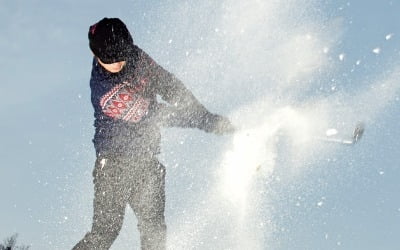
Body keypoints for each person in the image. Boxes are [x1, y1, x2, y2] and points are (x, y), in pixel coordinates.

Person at [73, 17, 235, 250]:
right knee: (105, 232)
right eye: (112, 60)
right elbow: (158, 115)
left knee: (155, 232)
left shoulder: (135, 56)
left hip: (147, 163)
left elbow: (168, 85)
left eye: (122, 57)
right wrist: (207, 123)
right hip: (113, 167)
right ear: (96, 56)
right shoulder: (108, 94)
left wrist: (203, 113)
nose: (119, 64)